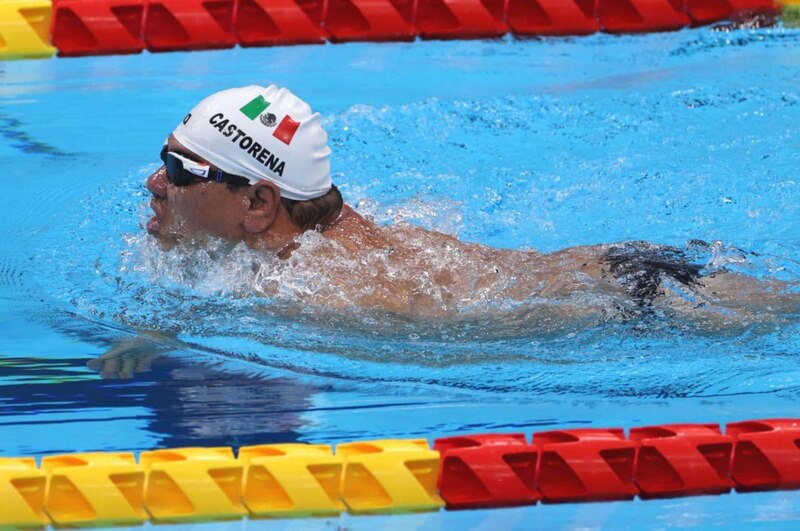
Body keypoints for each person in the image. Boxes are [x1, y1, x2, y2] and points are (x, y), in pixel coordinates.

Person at [146, 85, 797, 327]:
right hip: (613, 268)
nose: (155, 181)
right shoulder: (324, 226)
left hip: (634, 298)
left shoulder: (319, 291)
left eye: (181, 169)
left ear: (259, 202)